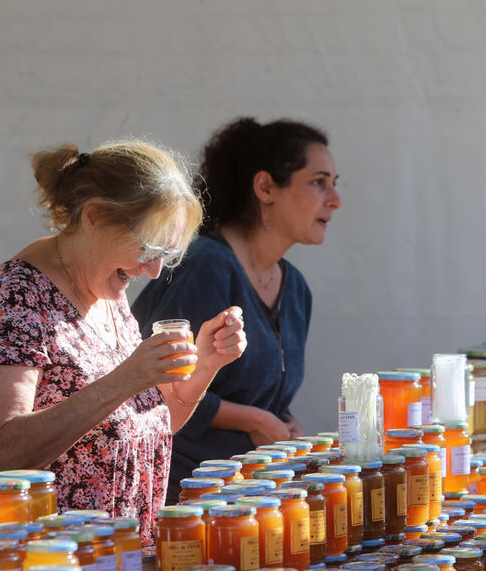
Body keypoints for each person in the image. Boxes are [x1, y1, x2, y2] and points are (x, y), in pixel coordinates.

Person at [0, 140, 247, 541]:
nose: (155, 270)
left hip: (111, 556)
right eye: (147, 247)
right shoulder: (13, 296)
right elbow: (2, 453)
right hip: (38, 559)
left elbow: (146, 424)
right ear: (94, 216)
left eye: (167, 253)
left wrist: (206, 364)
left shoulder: (106, 291)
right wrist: (126, 378)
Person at [132, 117, 341, 499]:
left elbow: (266, 393)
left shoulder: (295, 288)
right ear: (265, 187)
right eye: (318, 182)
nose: (334, 200)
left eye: (333, 184)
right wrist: (256, 420)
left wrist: (284, 424)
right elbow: (154, 384)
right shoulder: (206, 265)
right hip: (183, 495)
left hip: (248, 494)